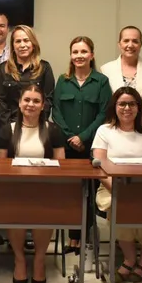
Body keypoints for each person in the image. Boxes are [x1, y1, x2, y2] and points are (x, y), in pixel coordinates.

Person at [0, 84, 65, 283]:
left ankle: (39, 259)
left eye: (36, 101)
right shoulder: (7, 130)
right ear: (19, 103)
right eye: (27, 100)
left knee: (45, 211)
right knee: (14, 210)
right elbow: (0, 166)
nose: (31, 104)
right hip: (14, 188)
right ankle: (19, 259)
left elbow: (62, 165)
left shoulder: (53, 130)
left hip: (46, 188)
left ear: (43, 105)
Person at [92, 87, 142, 283]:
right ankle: (130, 258)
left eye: (132, 104)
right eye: (122, 104)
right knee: (119, 206)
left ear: (138, 107)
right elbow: (99, 166)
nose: (127, 108)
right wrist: (118, 189)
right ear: (114, 107)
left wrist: (139, 191)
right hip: (111, 186)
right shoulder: (104, 131)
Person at [53, 36, 111, 252]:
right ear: (71, 55)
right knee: (70, 194)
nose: (79, 56)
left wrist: (83, 137)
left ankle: (85, 236)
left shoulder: (101, 81)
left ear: (91, 55)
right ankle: (72, 237)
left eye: (84, 51)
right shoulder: (63, 80)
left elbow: (104, 113)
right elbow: (56, 111)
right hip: (66, 147)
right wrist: (71, 137)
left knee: (89, 194)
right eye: (75, 52)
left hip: (92, 147)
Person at [100, 26, 142, 131]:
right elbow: (106, 106)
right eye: (126, 40)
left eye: (135, 41)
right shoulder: (106, 69)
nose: (130, 45)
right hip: (115, 132)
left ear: (141, 44)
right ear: (119, 44)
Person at [0, 25, 55, 136]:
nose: (22, 45)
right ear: (13, 45)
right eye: (18, 41)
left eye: (26, 40)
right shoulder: (3, 68)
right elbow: (0, 101)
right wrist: (10, 128)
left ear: (33, 44)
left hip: (36, 128)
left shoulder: (44, 67)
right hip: (10, 128)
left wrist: (37, 125)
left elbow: (48, 100)